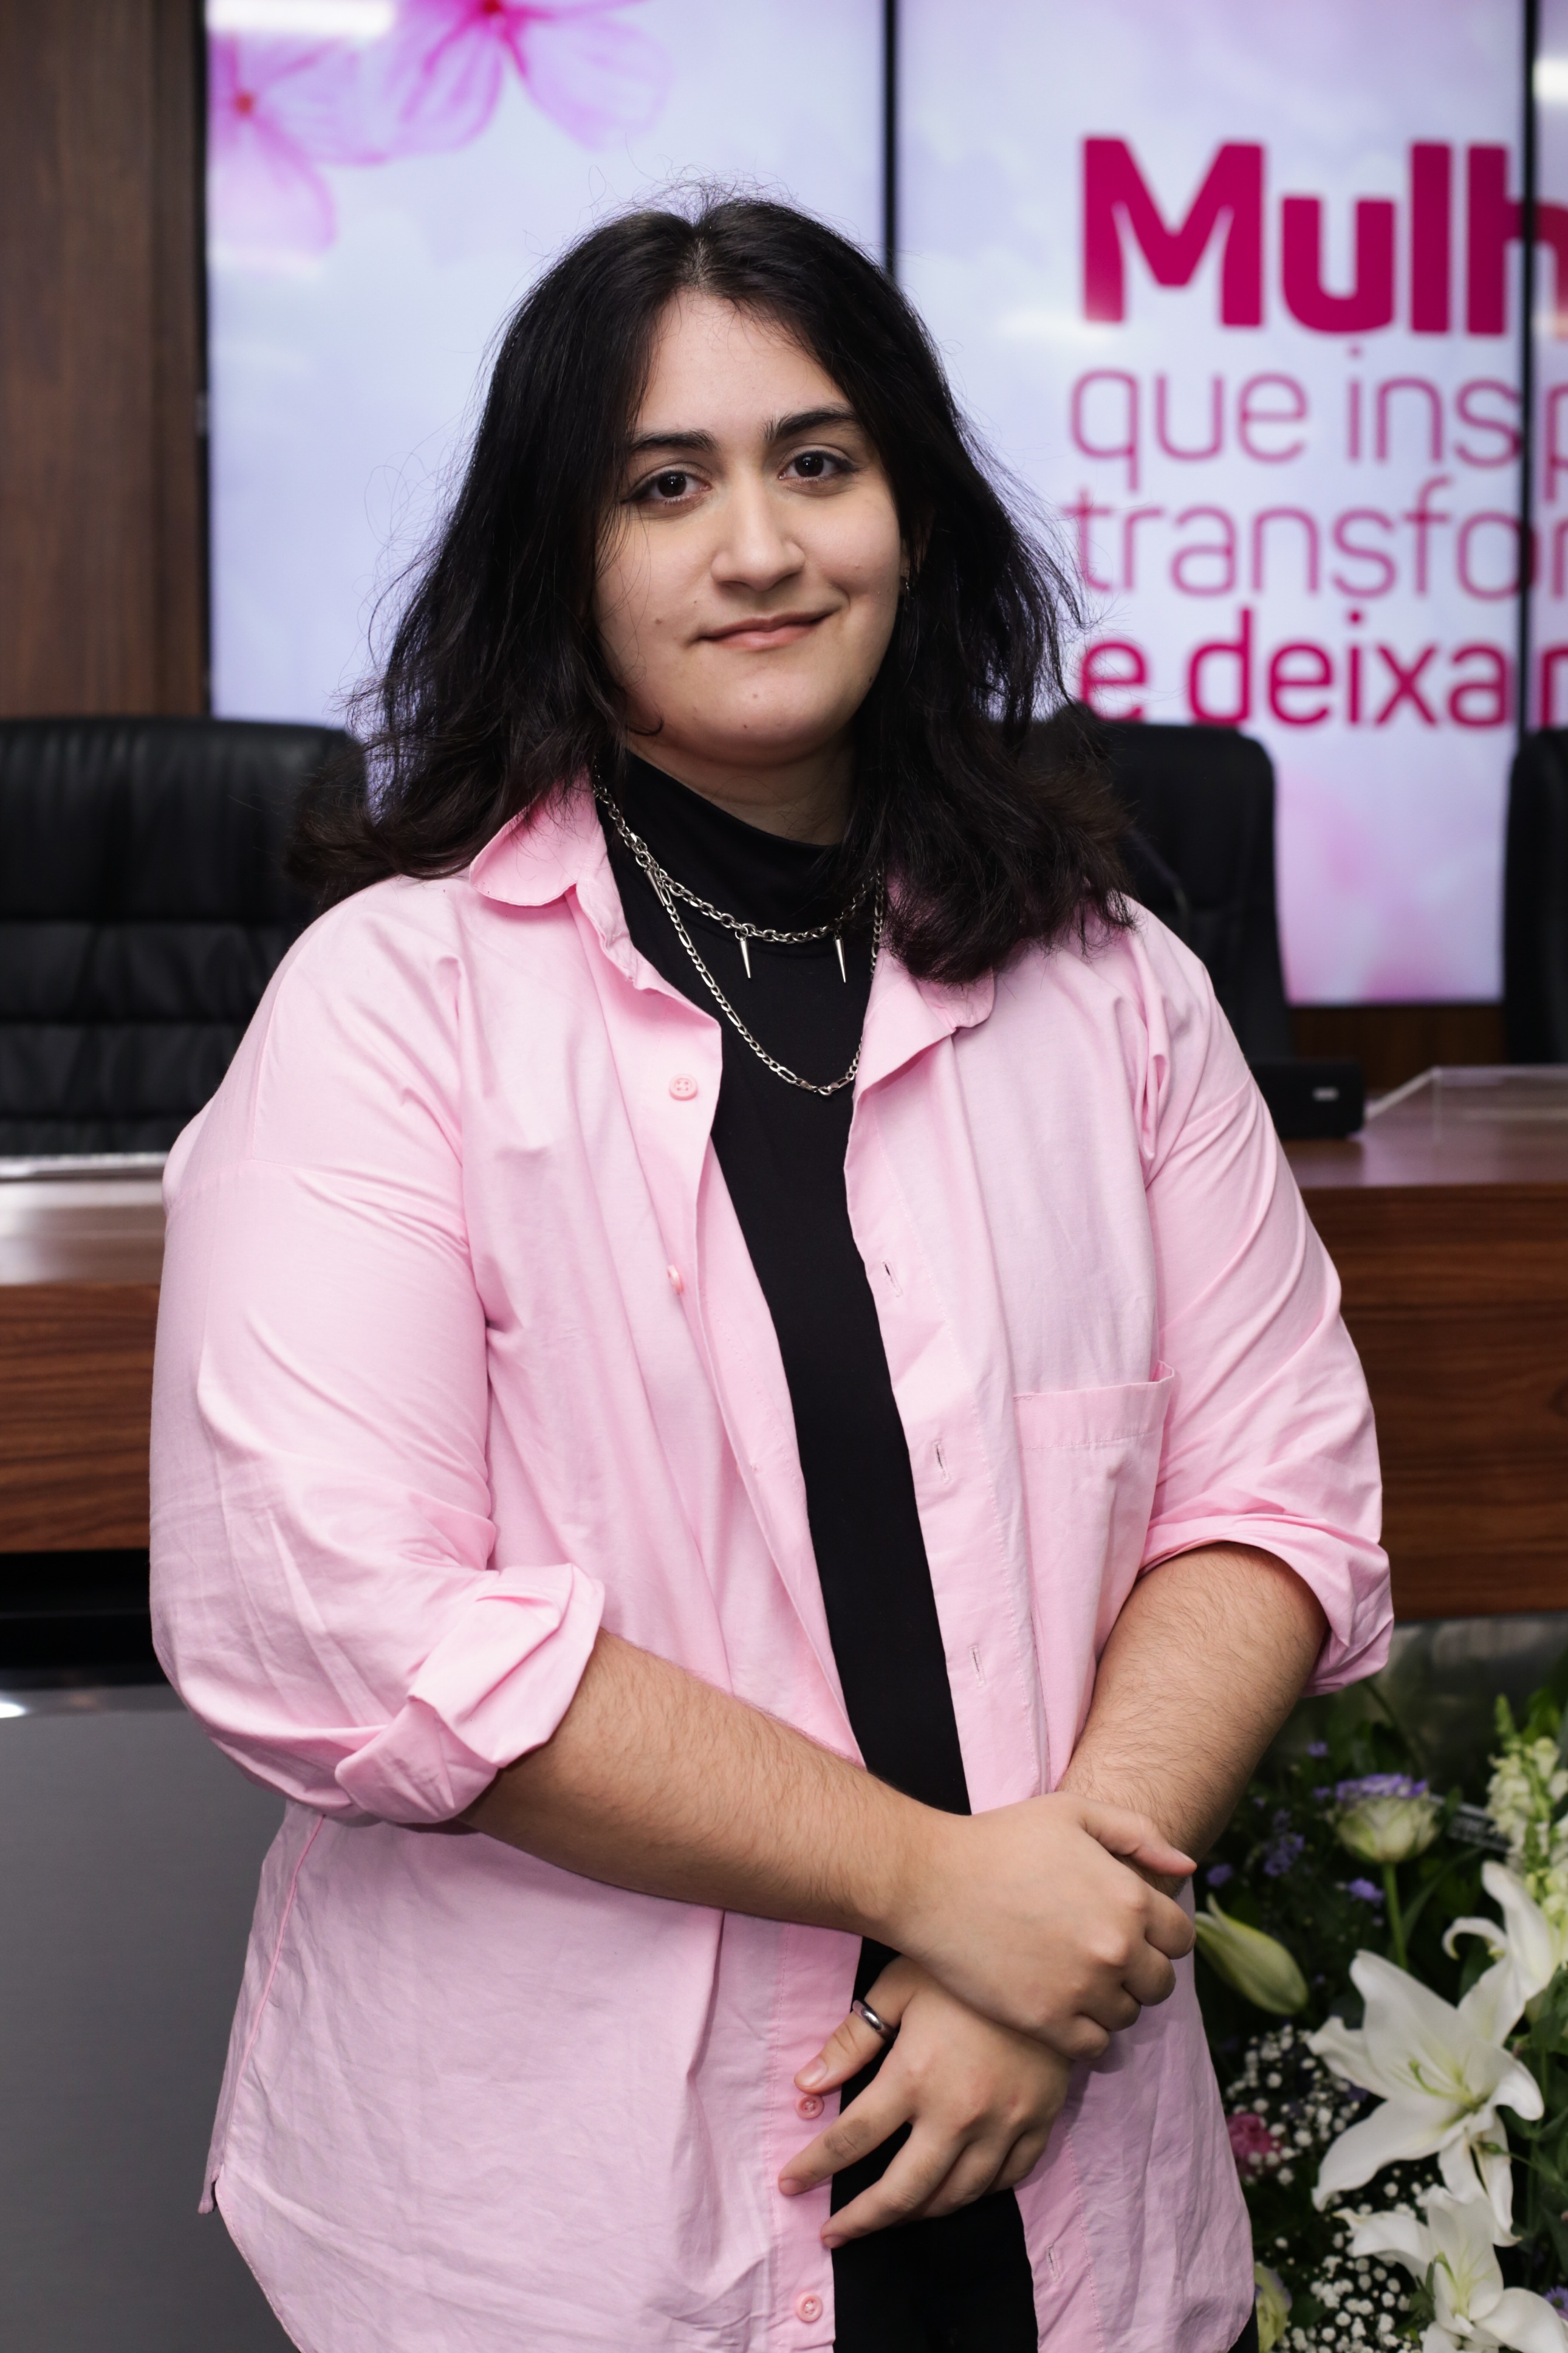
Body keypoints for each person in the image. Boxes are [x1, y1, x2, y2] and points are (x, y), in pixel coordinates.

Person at [150, 196, 1389, 2353]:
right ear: (559, 558)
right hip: (568, 2218)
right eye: (665, 485)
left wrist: (1048, 1941)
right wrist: (944, 1890)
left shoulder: (1113, 984)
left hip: (1059, 2132)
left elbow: (1271, 1496)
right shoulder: (392, 1005)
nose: (760, 547)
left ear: (914, 510)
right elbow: (345, 1621)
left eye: (820, 463)